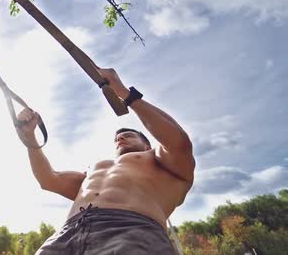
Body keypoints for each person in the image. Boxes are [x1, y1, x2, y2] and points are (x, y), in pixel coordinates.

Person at [16, 68, 195, 254]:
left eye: (127, 135)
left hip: (131, 231)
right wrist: (30, 138)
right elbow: (49, 180)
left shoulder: (162, 161)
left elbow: (179, 142)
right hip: (66, 235)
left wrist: (124, 92)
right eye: (117, 138)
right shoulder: (97, 169)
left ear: (148, 144)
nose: (120, 139)